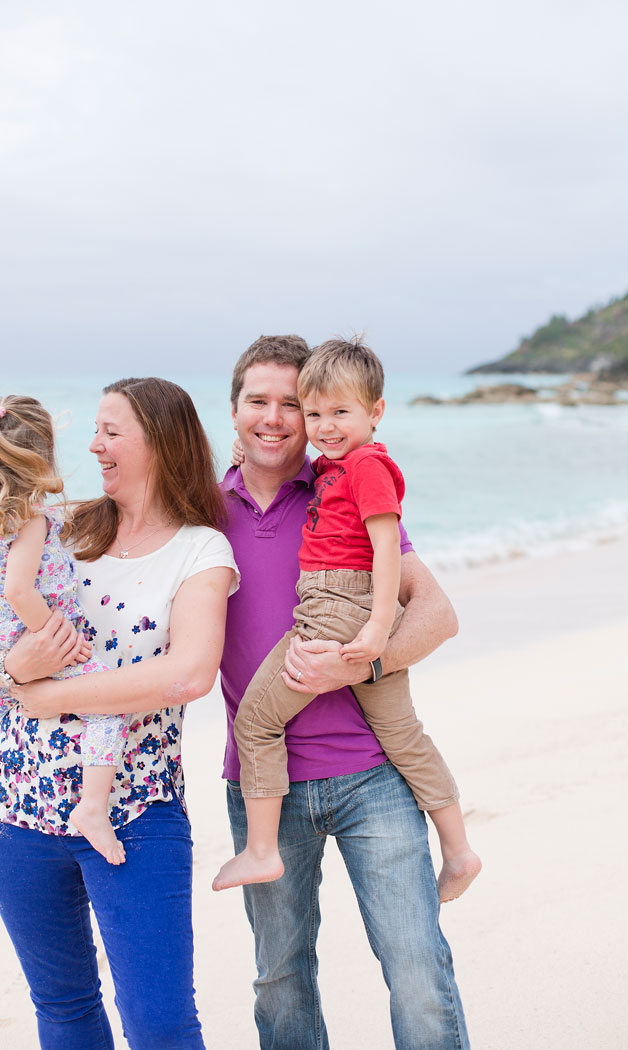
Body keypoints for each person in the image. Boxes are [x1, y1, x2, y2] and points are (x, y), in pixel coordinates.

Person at [0, 377, 238, 1050]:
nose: (92, 445)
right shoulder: (65, 524)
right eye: (95, 430)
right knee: (64, 1009)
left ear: (161, 445)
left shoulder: (201, 550)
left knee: (161, 1025)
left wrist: (51, 696)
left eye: (112, 431)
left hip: (135, 812)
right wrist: (9, 672)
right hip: (13, 808)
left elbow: (188, 673)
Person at [216, 335, 471, 1050]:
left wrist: (361, 665)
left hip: (372, 779)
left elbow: (439, 616)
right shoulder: (204, 511)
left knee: (420, 973)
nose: (274, 418)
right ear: (233, 410)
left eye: (291, 405)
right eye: (256, 401)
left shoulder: (341, 492)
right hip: (263, 788)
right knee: (280, 981)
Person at [0, 394, 129, 865]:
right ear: (40, 456)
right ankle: (92, 809)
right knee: (107, 706)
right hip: (30, 629)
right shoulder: (30, 520)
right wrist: (58, 640)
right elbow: (21, 589)